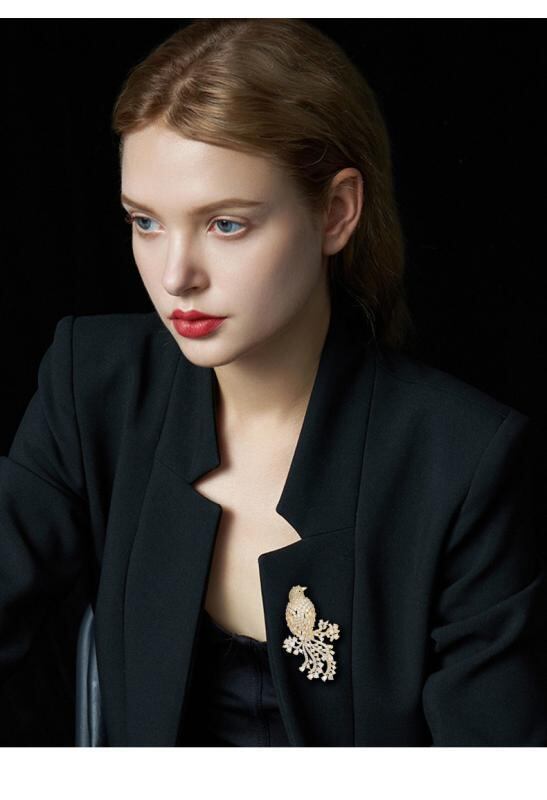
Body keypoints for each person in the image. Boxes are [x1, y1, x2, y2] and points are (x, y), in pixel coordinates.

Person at [1, 18, 546, 747]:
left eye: (225, 224)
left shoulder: (462, 460)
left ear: (336, 212)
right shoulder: (93, 385)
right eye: (145, 223)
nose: (175, 276)